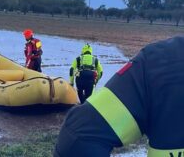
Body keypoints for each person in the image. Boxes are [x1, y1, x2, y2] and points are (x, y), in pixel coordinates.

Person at [54, 36, 184, 157]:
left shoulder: (165, 60)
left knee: (83, 99)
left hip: (81, 80)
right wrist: (96, 80)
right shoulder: (95, 59)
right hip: (90, 79)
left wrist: (71, 82)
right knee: (88, 95)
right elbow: (100, 71)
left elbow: (78, 137)